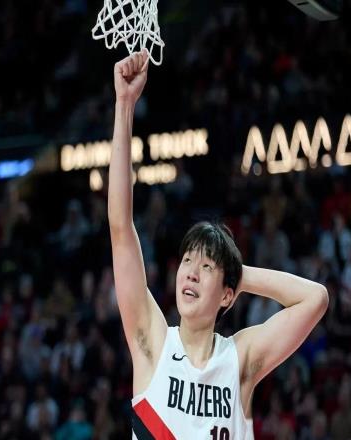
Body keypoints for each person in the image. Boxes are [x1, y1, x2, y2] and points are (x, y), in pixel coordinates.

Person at [108, 49, 329, 439]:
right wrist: (124, 106)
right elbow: (121, 227)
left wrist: (238, 275)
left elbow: (315, 298)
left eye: (207, 266)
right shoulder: (153, 342)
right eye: (188, 261)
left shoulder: (239, 361)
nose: (191, 272)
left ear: (228, 294)